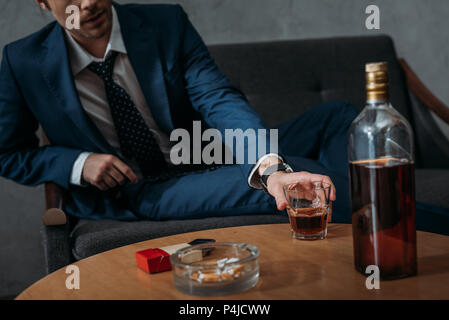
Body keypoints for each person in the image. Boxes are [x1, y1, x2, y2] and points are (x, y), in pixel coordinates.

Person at [0, 0, 358, 222]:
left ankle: (360, 206)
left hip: (206, 151)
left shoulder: (165, 24)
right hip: (144, 187)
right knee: (298, 181)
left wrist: (268, 164)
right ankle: (397, 228)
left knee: (337, 116)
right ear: (42, 1)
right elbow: (9, 154)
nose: (90, 3)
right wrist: (78, 163)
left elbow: (217, 97)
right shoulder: (23, 62)